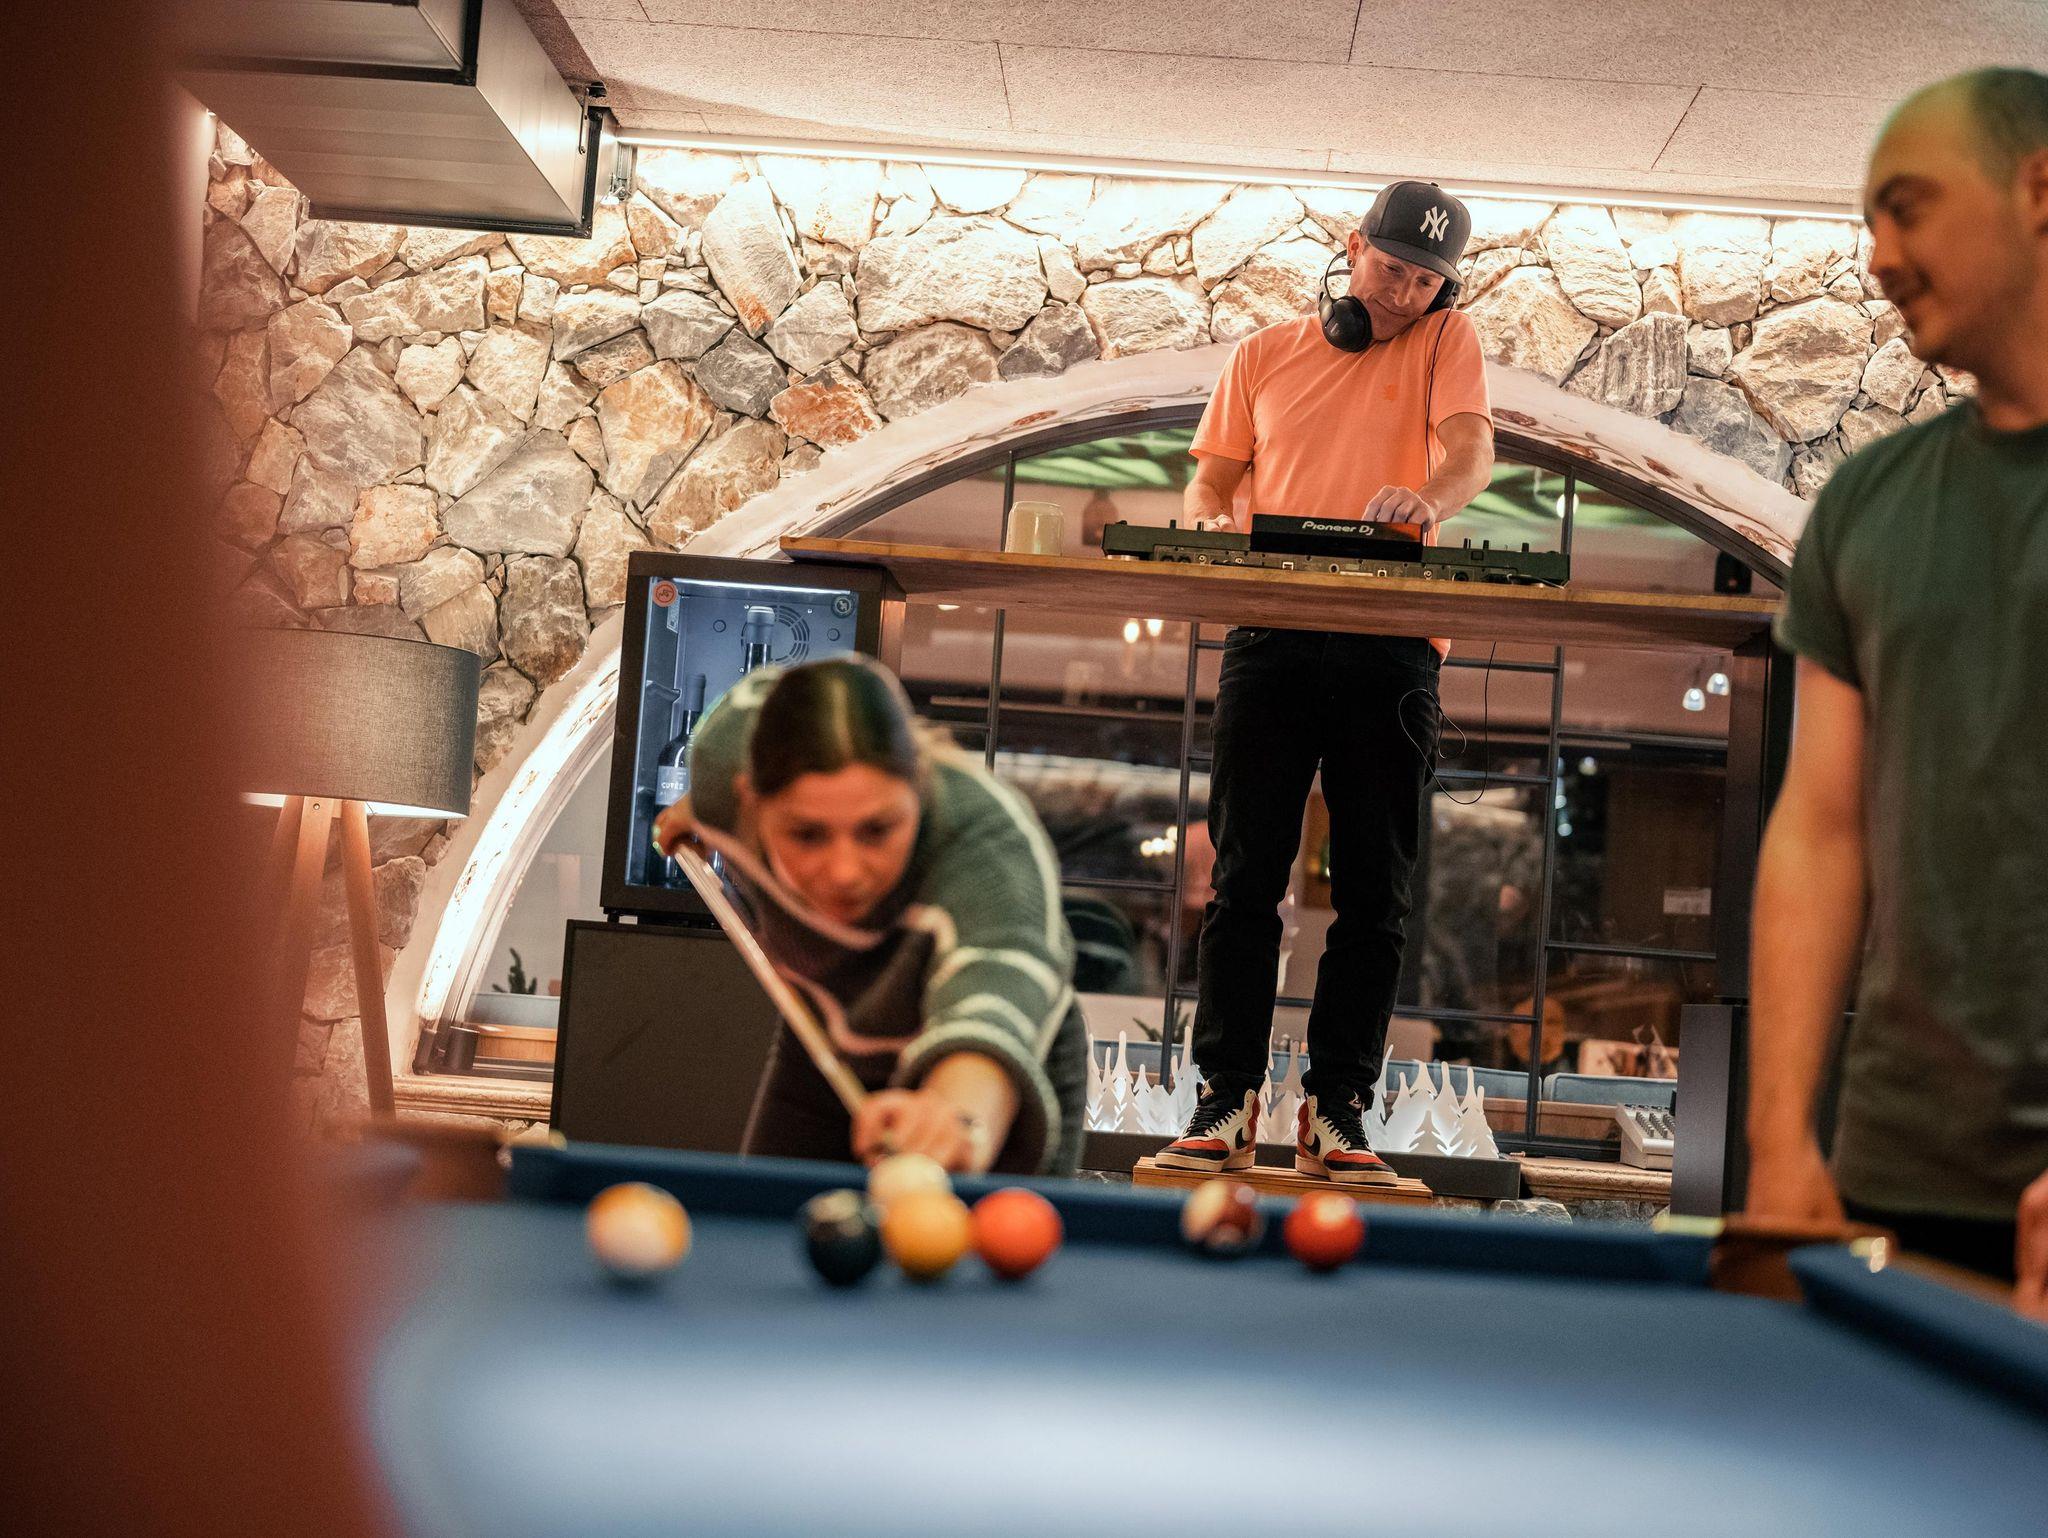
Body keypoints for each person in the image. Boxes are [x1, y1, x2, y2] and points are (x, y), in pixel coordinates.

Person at [1746, 68, 2048, 1313]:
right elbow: (1820, 827)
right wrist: (1777, 1138)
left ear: (2038, 191)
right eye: (1868, 219)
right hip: (1898, 1170)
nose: (1876, 255)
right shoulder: (1865, 504)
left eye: (1907, 208)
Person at [1158, 180, 1496, 1183]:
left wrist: (1426, 500)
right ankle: (1226, 1100)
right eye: (1390, 269)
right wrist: (1207, 519)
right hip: (1269, 631)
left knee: (1374, 893)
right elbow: (1210, 478)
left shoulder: (1445, 341)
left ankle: (1335, 1109)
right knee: (1243, 879)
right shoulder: (1263, 353)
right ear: (1352, 249)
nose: (1402, 294)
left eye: (1425, 281)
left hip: (1393, 642)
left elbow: (1473, 451)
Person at [653, 656, 1089, 1177]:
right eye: (807, 834)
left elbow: (994, 1005)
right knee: (768, 1221)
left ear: (919, 788)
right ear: (748, 800)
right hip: (829, 1038)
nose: (845, 873)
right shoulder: (721, 769)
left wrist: (953, 1117)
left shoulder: (989, 849)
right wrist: (704, 810)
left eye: (877, 830)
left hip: (989, 1068)